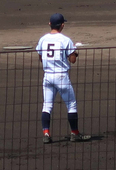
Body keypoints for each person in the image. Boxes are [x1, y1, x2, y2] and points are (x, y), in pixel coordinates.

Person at [36, 13, 91, 144]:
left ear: (50, 24)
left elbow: (40, 57)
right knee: (71, 104)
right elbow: (72, 60)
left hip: (47, 76)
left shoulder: (43, 39)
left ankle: (46, 133)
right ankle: (75, 133)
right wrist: (75, 53)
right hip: (61, 76)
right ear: (62, 25)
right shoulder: (65, 40)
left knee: (47, 105)